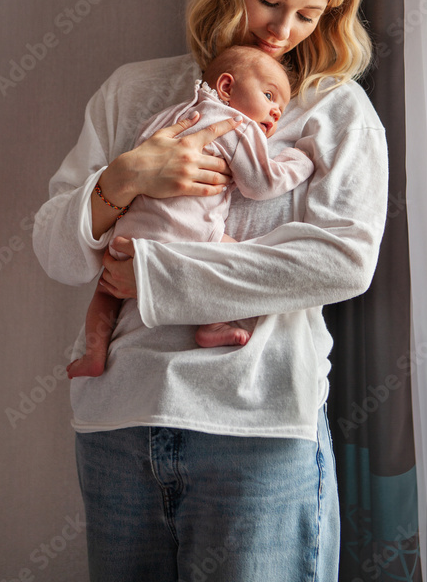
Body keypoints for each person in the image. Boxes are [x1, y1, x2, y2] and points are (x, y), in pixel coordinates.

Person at [33, 0, 389, 582]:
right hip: (117, 425)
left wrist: (157, 276)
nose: (282, 30)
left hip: (255, 432)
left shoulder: (330, 110)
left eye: (308, 14)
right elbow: (55, 251)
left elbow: (341, 260)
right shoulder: (133, 92)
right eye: (268, 0)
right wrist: (124, 178)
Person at [67, 43, 314, 378]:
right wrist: (298, 161)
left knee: (106, 291)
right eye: (270, 97)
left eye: (281, 111)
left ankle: (94, 353)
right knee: (238, 260)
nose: (275, 113)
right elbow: (260, 184)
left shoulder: (169, 116)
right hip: (190, 234)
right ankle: (214, 323)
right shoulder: (235, 124)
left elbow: (141, 154)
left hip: (130, 233)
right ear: (227, 87)